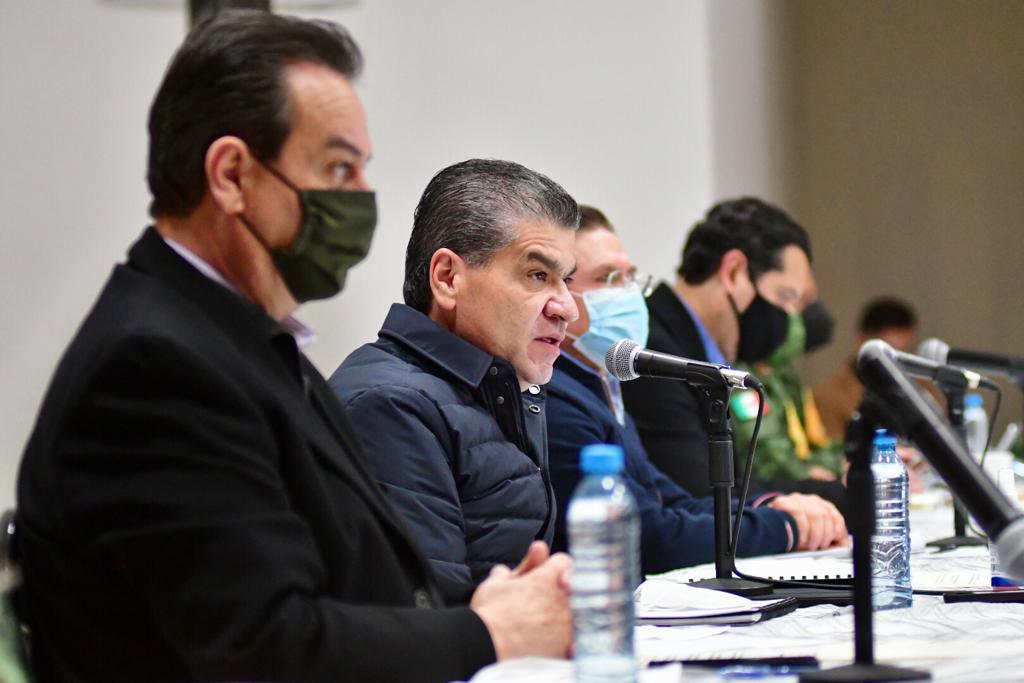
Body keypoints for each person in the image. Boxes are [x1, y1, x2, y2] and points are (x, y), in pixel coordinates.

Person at [13, 13, 570, 683]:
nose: (363, 196)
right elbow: (261, 645)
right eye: (338, 167)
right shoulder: (156, 365)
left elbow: (349, 581)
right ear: (231, 175)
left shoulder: (237, 339)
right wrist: (484, 634)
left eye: (363, 169)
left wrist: (484, 610)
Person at [330, 159, 579, 602]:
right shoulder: (390, 405)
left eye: (566, 281)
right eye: (538, 275)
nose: (567, 309)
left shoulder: (497, 388)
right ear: (448, 278)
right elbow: (428, 617)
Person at [546, 206, 847, 574]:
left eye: (630, 277)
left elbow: (674, 499)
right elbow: (654, 533)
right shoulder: (575, 390)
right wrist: (785, 525)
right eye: (608, 278)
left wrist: (772, 507)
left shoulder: (599, 383)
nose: (628, 295)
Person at [621, 198, 844, 507]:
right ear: (735, 272)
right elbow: (704, 494)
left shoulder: (699, 350)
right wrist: (834, 495)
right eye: (784, 298)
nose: (788, 322)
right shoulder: (654, 353)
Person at [730, 294, 846, 486]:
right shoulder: (743, 382)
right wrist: (808, 472)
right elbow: (767, 453)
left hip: (794, 479)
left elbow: (812, 444)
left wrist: (846, 460)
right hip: (766, 488)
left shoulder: (785, 378)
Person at [813, 297, 919, 441]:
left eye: (905, 353)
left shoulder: (922, 391)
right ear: (862, 341)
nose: (896, 363)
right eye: (887, 354)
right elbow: (832, 452)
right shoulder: (829, 399)